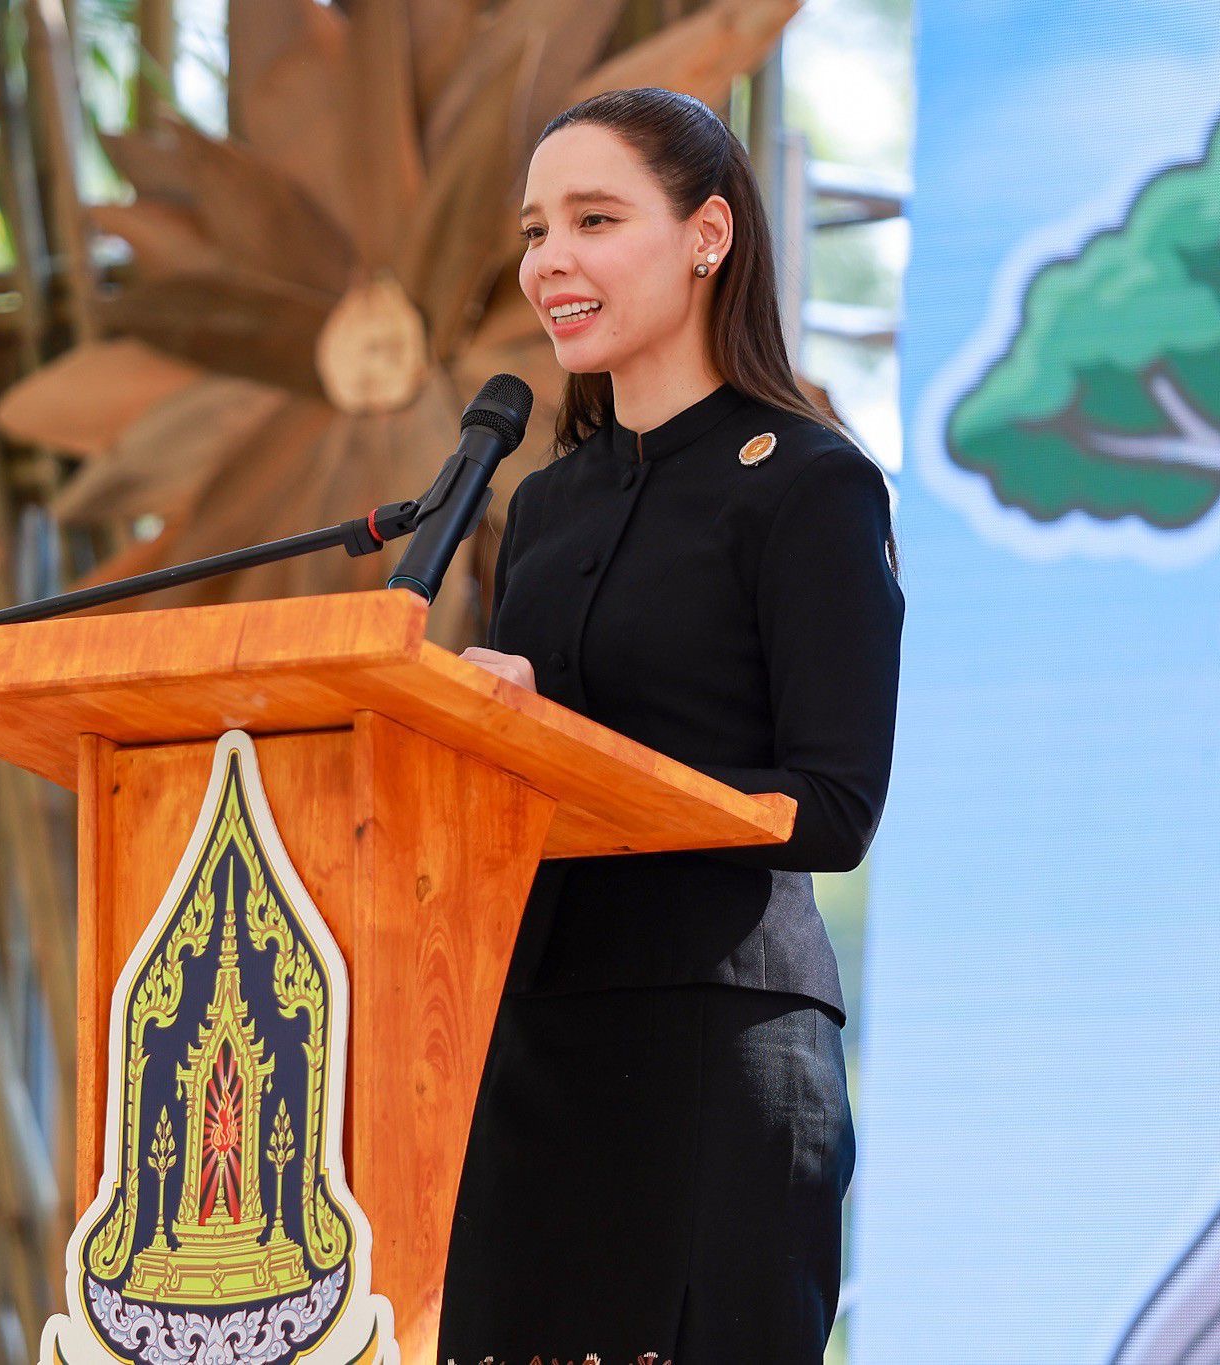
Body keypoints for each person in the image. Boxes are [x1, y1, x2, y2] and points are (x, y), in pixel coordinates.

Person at [437, 87, 905, 1365]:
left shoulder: (810, 481)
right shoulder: (540, 506)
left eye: (593, 219)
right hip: (530, 1042)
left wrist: (565, 748)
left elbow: (834, 807)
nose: (549, 260)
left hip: (716, 1044)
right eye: (535, 230)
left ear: (707, 236)